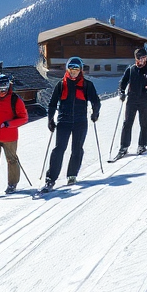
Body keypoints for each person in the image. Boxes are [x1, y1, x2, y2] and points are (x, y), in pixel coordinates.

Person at [40, 57, 101, 192]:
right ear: (68, 69)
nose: (74, 72)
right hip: (64, 121)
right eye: (71, 69)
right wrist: (50, 119)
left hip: (80, 122)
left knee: (77, 149)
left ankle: (72, 174)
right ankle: (51, 179)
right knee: (58, 149)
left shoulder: (87, 85)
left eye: (76, 69)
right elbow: (52, 104)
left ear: (80, 70)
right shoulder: (61, 85)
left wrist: (95, 113)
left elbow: (96, 101)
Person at [116, 46, 147, 158]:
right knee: (127, 123)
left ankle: (142, 144)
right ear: (136, 59)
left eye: (144, 57)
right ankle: (124, 146)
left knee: (144, 122)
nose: (143, 60)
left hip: (145, 100)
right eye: (140, 58)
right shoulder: (131, 70)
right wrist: (121, 92)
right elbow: (123, 83)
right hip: (131, 100)